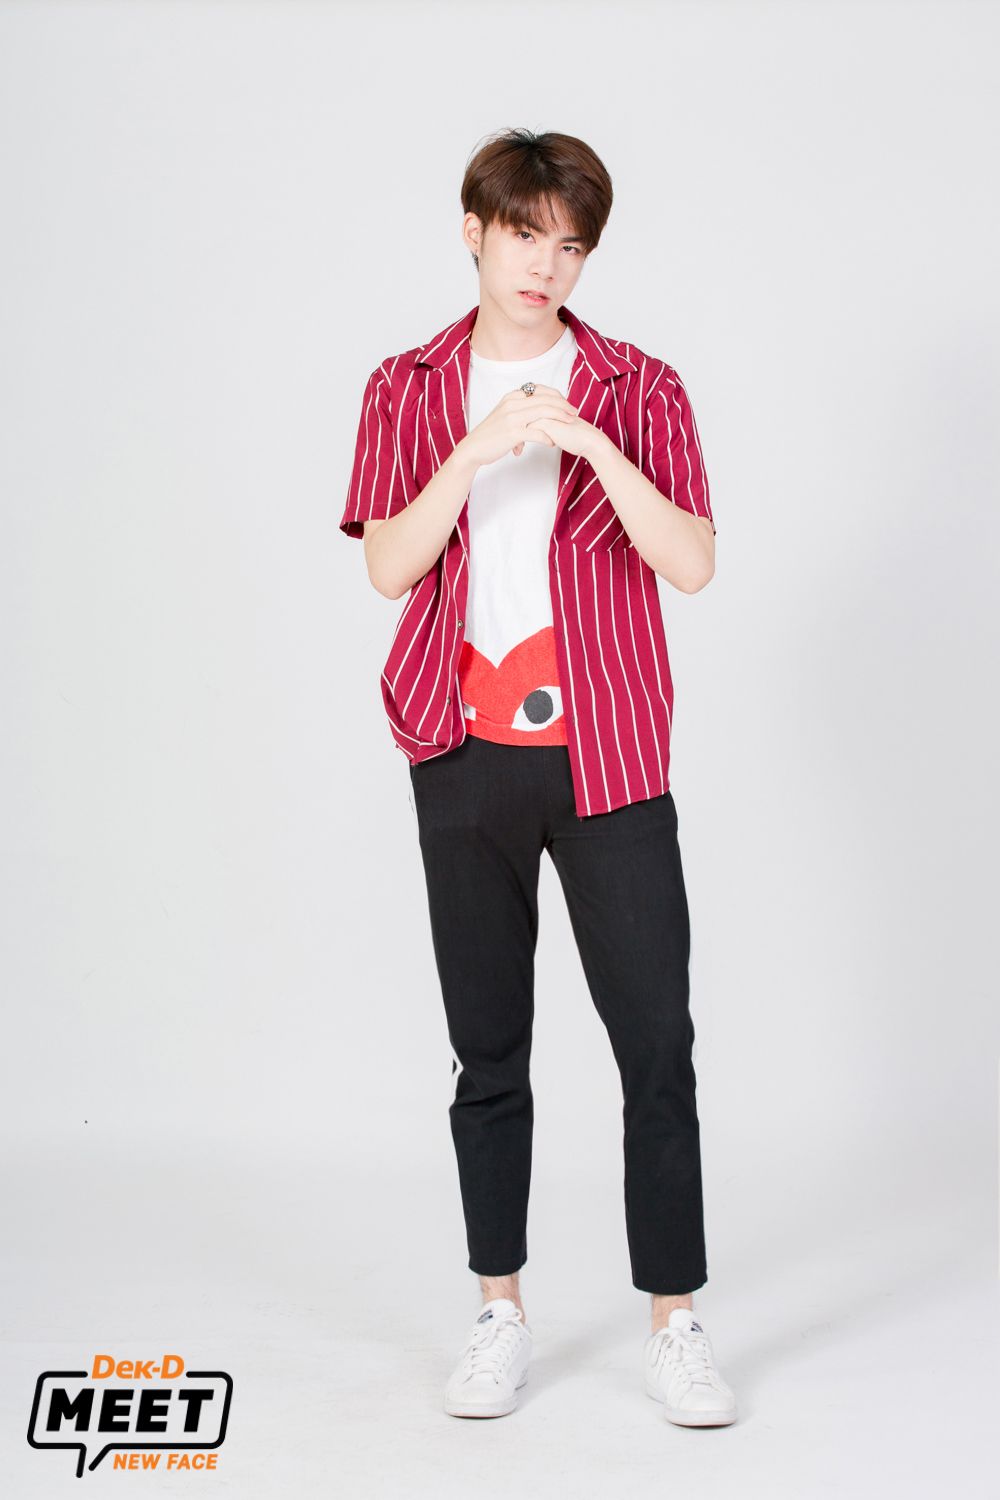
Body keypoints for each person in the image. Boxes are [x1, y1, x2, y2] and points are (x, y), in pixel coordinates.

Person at [340, 127, 737, 1428]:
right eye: (524, 235)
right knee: (488, 1051)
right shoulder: (406, 386)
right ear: (475, 231)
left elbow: (692, 563)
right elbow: (388, 567)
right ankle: (498, 1311)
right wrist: (474, 449)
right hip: (461, 755)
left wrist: (591, 445)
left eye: (569, 245)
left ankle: (676, 1325)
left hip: (609, 753)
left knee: (657, 1045)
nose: (545, 265)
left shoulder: (640, 384)